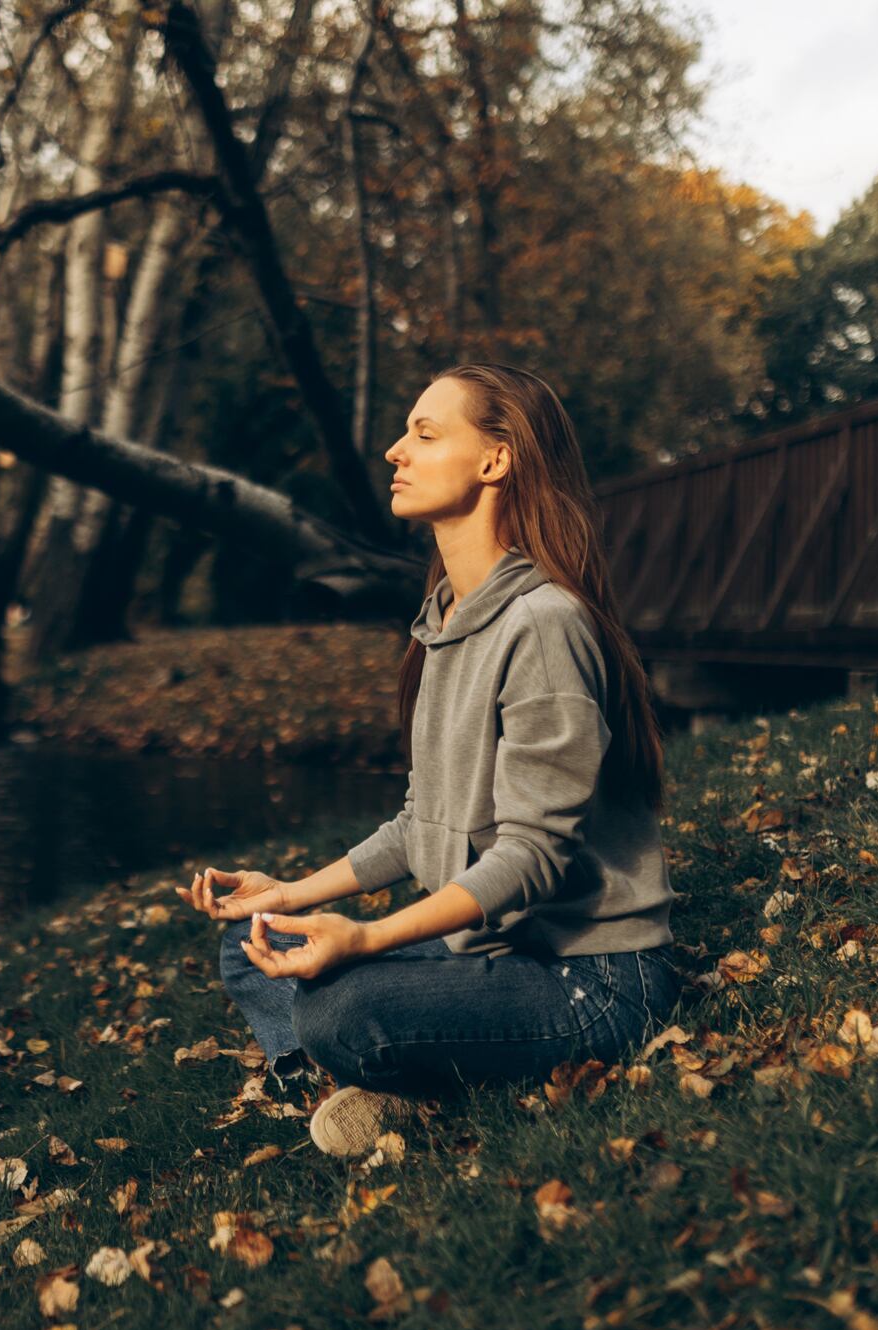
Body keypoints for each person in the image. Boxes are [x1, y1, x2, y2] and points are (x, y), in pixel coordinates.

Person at [176, 362, 687, 1158]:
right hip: (497, 948)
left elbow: (531, 861)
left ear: (495, 460)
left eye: (424, 432)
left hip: (591, 981)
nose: (393, 450)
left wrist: (368, 938)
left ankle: (381, 1076)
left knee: (335, 1010)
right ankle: (364, 1082)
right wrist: (291, 890)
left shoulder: (543, 625)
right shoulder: (449, 615)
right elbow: (423, 821)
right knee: (257, 940)